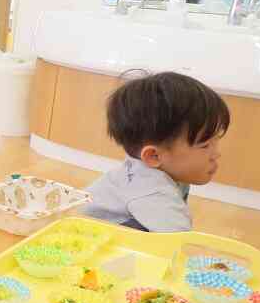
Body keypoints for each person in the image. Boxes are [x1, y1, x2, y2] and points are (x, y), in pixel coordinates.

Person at [82, 71, 229, 232]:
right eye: (205, 145)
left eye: (216, 141)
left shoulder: (150, 167)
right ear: (153, 156)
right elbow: (178, 245)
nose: (217, 154)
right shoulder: (154, 196)